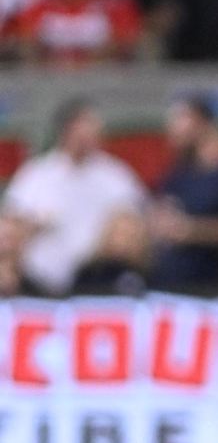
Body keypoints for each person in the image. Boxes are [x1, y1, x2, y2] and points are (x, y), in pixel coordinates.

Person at [2, 96, 145, 295]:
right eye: (83, 126)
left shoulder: (115, 176)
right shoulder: (36, 175)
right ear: (66, 130)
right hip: (39, 280)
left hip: (97, 280)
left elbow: (138, 229)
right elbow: (9, 225)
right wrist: (31, 227)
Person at [149, 91, 218, 293]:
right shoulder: (175, 175)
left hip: (213, 287)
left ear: (202, 123)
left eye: (181, 118)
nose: (172, 127)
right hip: (170, 286)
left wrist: (192, 231)